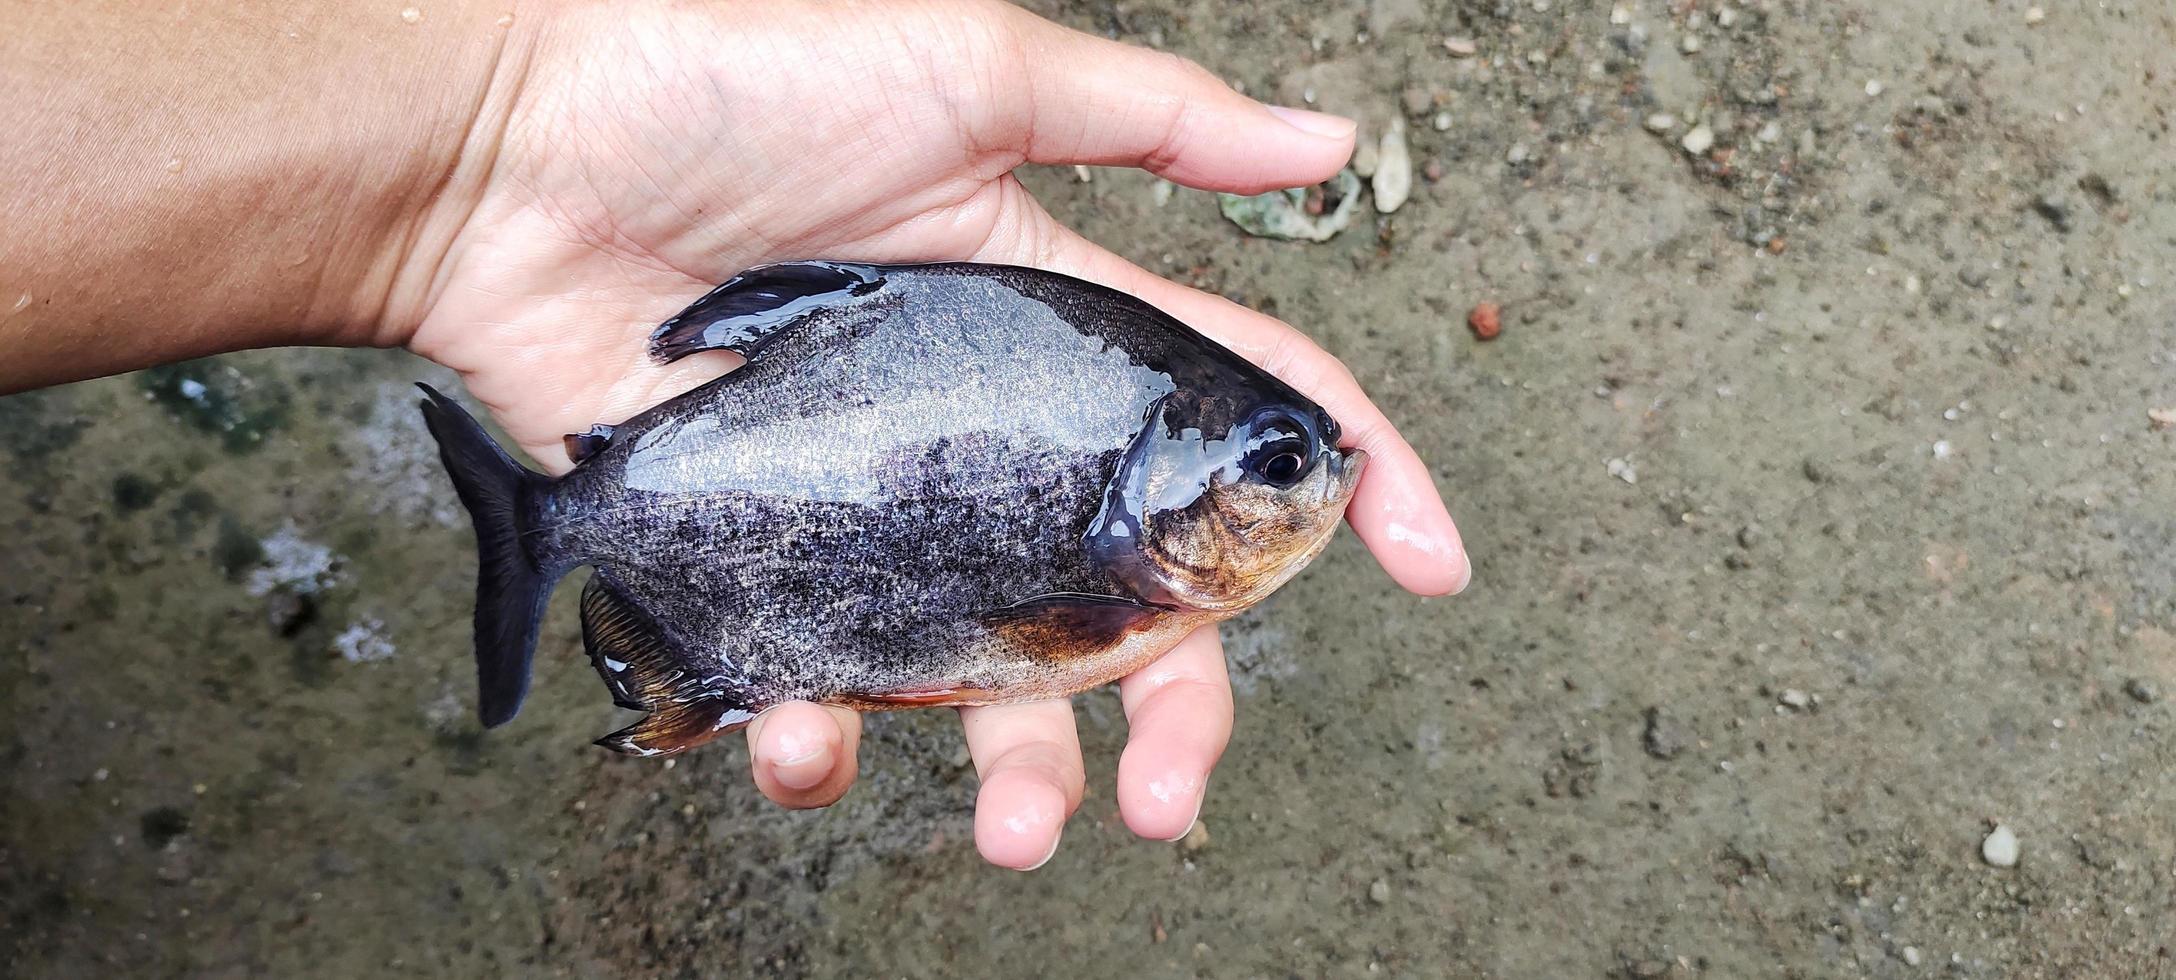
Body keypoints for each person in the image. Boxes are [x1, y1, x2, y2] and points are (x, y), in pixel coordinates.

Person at [0, 0, 1471, 871]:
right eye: (1276, 465)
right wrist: (483, 137)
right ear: (1176, 483)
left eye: (1284, 461)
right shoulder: (1111, 576)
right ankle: (561, 543)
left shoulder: (1119, 546)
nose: (1311, 477)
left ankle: (575, 553)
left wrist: (478, 144)